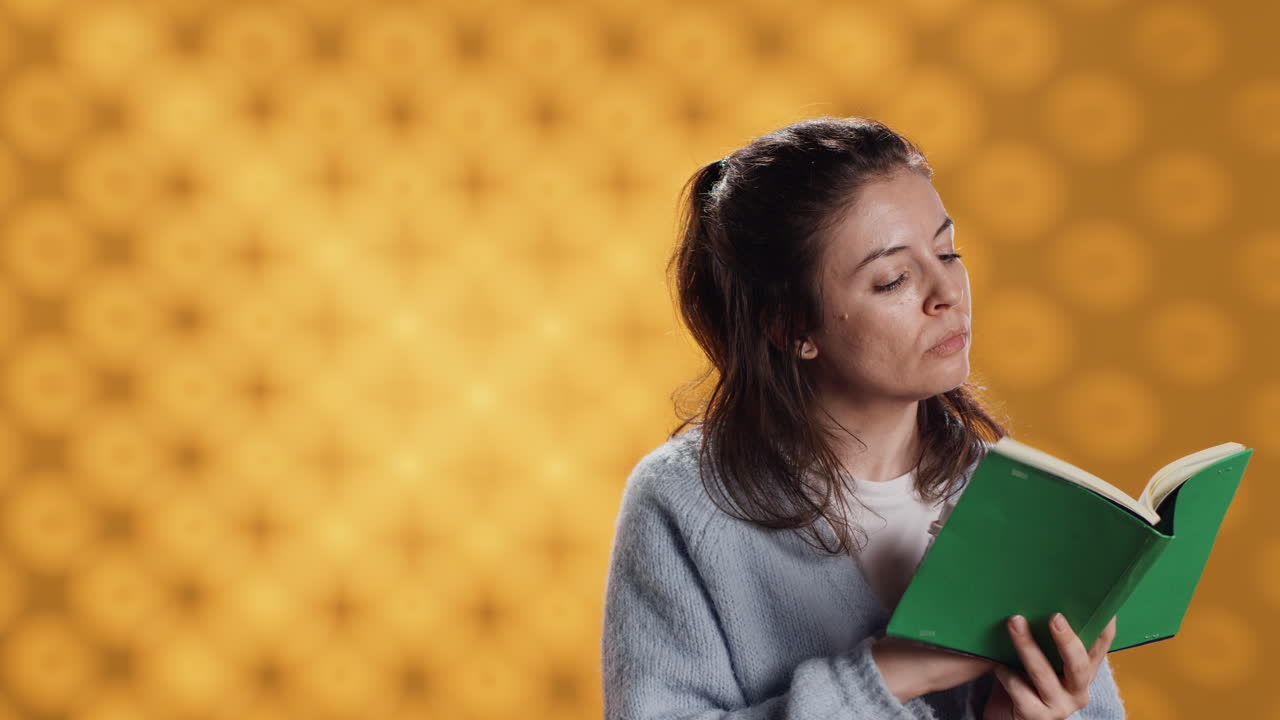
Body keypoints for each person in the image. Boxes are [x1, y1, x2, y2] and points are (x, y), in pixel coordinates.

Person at [601, 117, 1124, 719]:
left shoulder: (1021, 499)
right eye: (892, 279)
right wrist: (889, 673)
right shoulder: (684, 504)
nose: (946, 291)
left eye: (949, 252)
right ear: (792, 328)